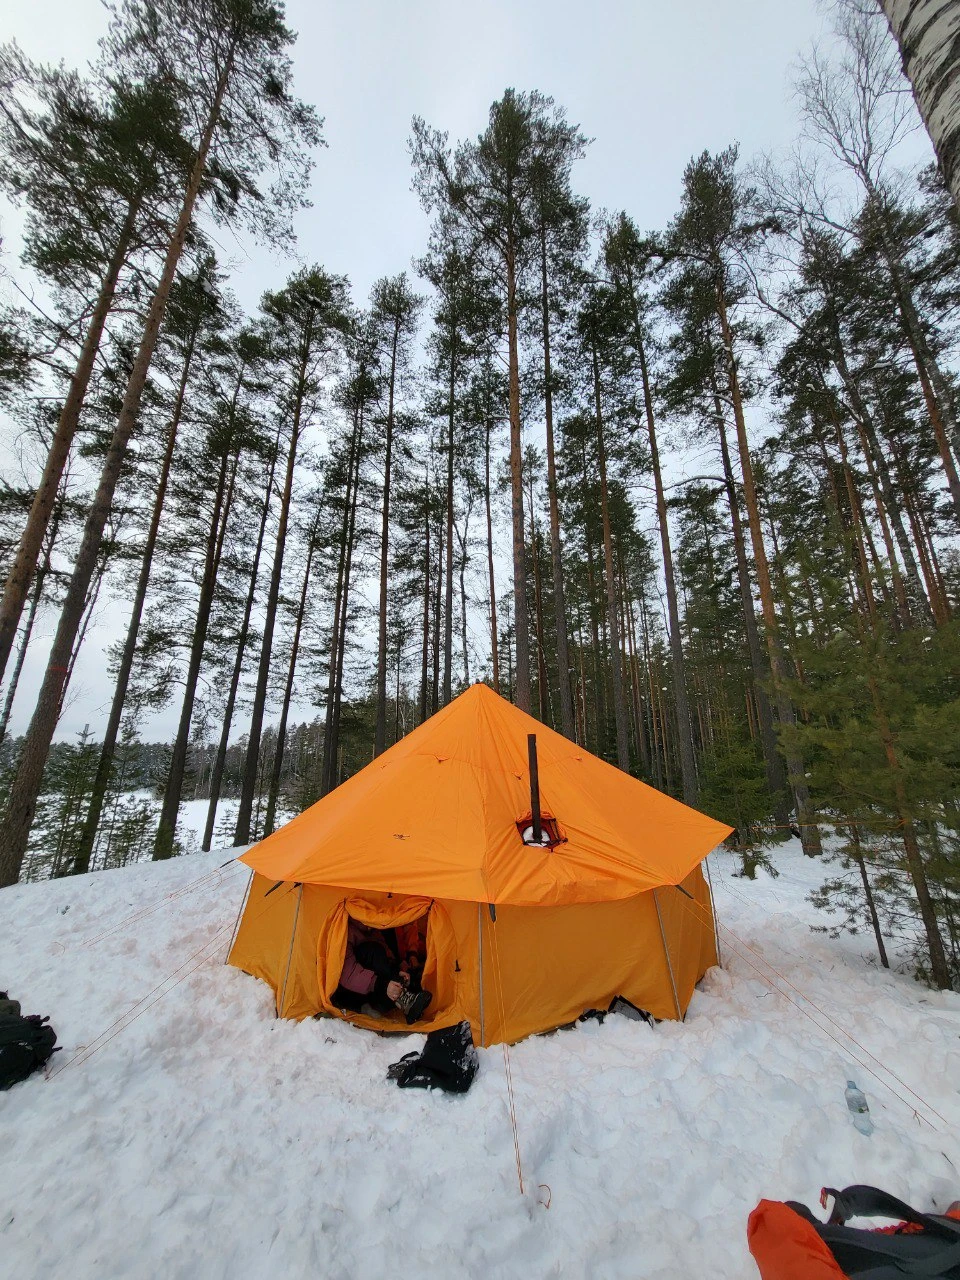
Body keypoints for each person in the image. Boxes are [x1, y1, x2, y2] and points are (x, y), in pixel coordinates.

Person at [333, 920, 432, 1024]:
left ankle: (407, 995)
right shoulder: (344, 929)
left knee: (380, 954)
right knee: (372, 950)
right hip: (348, 992)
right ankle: (402, 998)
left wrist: (398, 969)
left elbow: (385, 954)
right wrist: (382, 985)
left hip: (373, 990)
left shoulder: (373, 929)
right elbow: (348, 973)